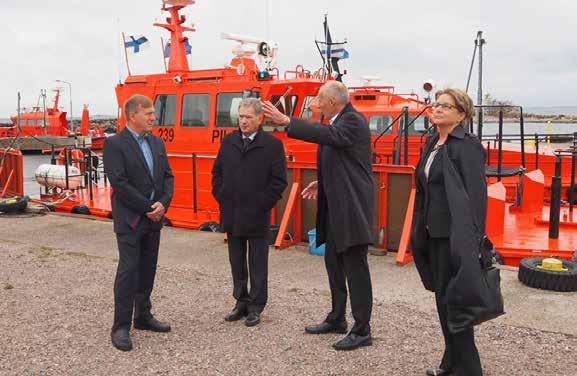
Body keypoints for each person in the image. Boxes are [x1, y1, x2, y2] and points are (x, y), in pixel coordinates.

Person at [262, 81, 374, 351]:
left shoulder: (353, 121)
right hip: (335, 206)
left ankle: (362, 330)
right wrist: (322, 183)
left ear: (333, 102)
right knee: (334, 263)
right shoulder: (338, 121)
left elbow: (328, 136)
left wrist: (287, 121)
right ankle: (337, 318)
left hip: (351, 209)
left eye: (319, 98)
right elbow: (339, 155)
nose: (316, 102)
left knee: (355, 269)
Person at [410, 88, 487, 375]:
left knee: (455, 304)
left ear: (461, 114)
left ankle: (468, 369)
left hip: (453, 238)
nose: (438, 109)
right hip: (432, 234)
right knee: (443, 301)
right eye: (437, 104)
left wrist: (472, 242)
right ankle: (451, 363)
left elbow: (476, 196)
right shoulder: (433, 142)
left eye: (446, 106)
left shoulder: (465, 145)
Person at [103, 94, 174, 351]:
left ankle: (142, 316)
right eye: (149, 114)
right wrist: (147, 208)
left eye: (153, 114)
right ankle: (120, 326)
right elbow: (119, 183)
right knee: (128, 270)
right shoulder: (115, 145)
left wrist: (163, 203)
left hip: (154, 219)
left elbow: (168, 176)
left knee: (148, 268)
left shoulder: (157, 143)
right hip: (131, 220)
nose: (154, 118)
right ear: (133, 115)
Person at [212, 98, 287, 327]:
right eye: (241, 117)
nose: (243, 122)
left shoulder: (272, 146)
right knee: (236, 261)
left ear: (259, 119)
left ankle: (256, 306)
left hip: (257, 214)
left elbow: (278, 181)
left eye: (248, 117)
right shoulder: (229, 142)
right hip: (232, 213)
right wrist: (222, 196)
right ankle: (240, 302)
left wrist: (261, 204)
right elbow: (217, 173)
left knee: (257, 263)